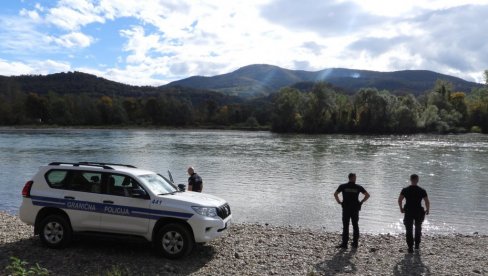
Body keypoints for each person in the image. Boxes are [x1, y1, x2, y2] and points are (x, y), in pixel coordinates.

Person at [334, 173, 370, 249]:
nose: (356, 178)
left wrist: (339, 202)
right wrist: (361, 202)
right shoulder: (358, 187)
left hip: (346, 208)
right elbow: (367, 195)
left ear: (349, 178)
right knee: (355, 225)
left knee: (346, 226)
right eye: (355, 177)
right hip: (355, 209)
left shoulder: (343, 186)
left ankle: (344, 244)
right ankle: (355, 243)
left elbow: (335, 194)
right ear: (353, 178)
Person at [398, 174, 430, 253]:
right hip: (418, 211)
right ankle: (417, 245)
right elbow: (426, 201)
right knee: (418, 228)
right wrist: (427, 209)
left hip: (408, 211)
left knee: (409, 229)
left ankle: (410, 247)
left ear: (410, 179)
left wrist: (401, 208)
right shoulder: (422, 190)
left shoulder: (405, 190)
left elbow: (399, 200)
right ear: (417, 180)